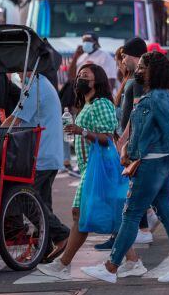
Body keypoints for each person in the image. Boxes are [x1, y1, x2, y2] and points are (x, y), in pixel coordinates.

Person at [82, 52, 169, 283]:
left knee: (131, 213)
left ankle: (110, 267)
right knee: (166, 212)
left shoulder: (156, 98)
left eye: (143, 66)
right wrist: (126, 149)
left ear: (155, 71)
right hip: (157, 162)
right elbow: (145, 130)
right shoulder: (154, 96)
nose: (139, 70)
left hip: (152, 164)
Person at [40, 64, 143, 279]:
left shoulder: (101, 104)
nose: (80, 78)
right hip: (91, 167)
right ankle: (133, 260)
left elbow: (107, 137)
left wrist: (82, 131)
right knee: (109, 214)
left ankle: (63, 264)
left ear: (97, 81)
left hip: (100, 166)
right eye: (79, 75)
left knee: (81, 214)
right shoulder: (87, 105)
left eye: (85, 75)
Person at [2, 70, 70, 263]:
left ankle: (61, 234)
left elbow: (16, 119)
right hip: (47, 154)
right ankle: (44, 248)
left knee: (28, 201)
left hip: (42, 155)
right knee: (43, 204)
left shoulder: (35, 87)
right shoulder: (39, 83)